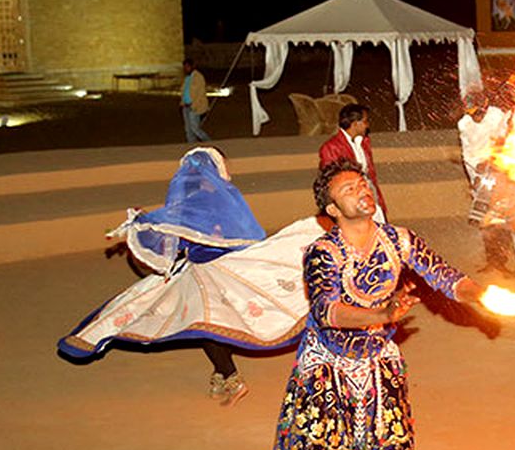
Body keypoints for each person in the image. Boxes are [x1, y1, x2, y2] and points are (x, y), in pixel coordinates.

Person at [271, 160, 485, 450]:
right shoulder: (323, 252)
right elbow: (326, 310)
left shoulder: (399, 241)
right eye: (348, 189)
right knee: (316, 438)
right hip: (327, 361)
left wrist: (476, 293)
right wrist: (380, 315)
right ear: (331, 210)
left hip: (377, 361)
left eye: (361, 182)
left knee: (390, 444)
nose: (360, 189)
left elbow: (442, 274)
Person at [58, 147, 325, 406]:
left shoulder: (192, 202)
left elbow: (172, 239)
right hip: (219, 272)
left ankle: (228, 375)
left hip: (208, 274)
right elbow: (243, 236)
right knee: (210, 322)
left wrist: (140, 224)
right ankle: (224, 374)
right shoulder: (221, 198)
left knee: (207, 323)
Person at [457, 94, 515, 272]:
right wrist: (474, 175)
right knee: (485, 220)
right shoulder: (464, 124)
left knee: (499, 217)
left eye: (479, 113)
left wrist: (490, 161)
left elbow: (503, 142)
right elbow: (467, 152)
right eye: (472, 114)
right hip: (479, 175)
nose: (476, 117)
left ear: (485, 106)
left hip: (497, 170)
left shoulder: (497, 116)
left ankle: (502, 261)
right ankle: (491, 260)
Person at [318, 103, 388, 222]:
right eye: (365, 121)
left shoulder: (364, 142)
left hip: (368, 189)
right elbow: (331, 182)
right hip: (351, 196)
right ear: (355, 124)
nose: (367, 125)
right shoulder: (331, 147)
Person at [179, 58, 211, 144]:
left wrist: (195, 105)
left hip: (195, 106)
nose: (186, 69)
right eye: (184, 67)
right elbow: (184, 91)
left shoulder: (198, 77)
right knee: (188, 129)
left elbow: (201, 93)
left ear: (192, 67)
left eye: (188, 67)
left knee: (195, 128)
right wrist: (182, 103)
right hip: (186, 106)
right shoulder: (187, 78)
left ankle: (208, 141)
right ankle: (191, 145)